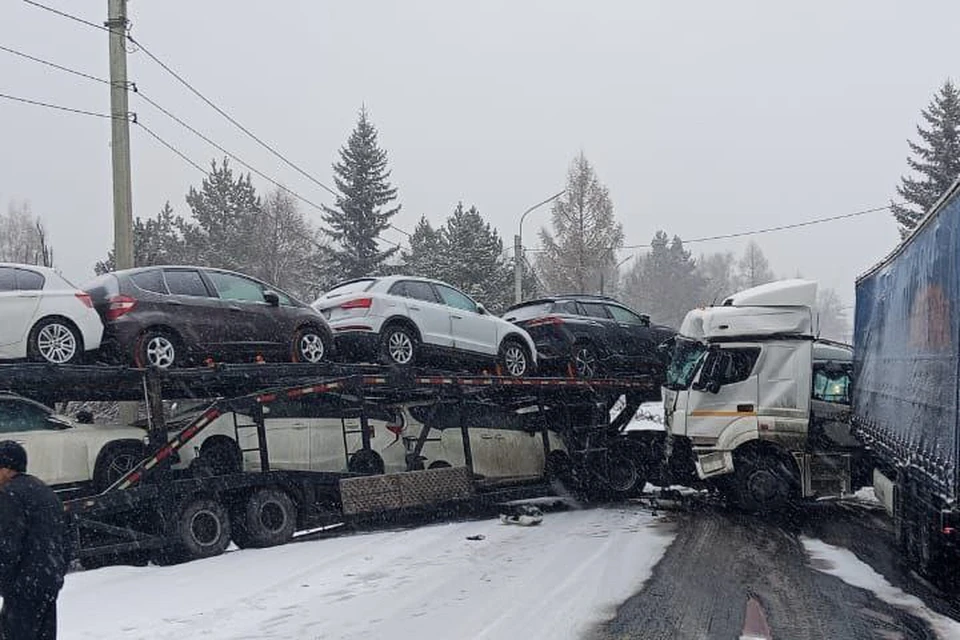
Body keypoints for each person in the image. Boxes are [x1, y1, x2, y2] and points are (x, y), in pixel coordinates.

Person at [0, 441, 69, 640]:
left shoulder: (8, 494)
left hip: (22, 586)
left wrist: (5, 580)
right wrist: (57, 571)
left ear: (6, 469)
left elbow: (8, 544)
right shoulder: (45, 491)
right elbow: (66, 537)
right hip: (48, 582)